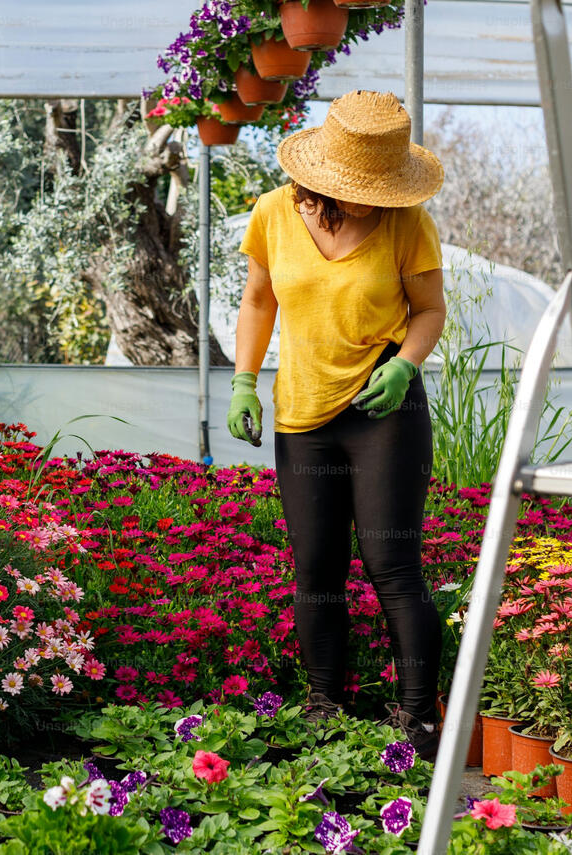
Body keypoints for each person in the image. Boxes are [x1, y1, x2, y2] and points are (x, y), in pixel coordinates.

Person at [227, 90, 447, 760]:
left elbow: (429, 310)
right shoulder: (271, 214)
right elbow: (259, 300)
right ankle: (325, 703)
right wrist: (242, 379)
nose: (370, 200)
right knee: (316, 568)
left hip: (383, 408)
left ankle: (419, 719)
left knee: (392, 565)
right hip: (302, 412)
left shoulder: (406, 221)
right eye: (361, 189)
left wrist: (406, 366)